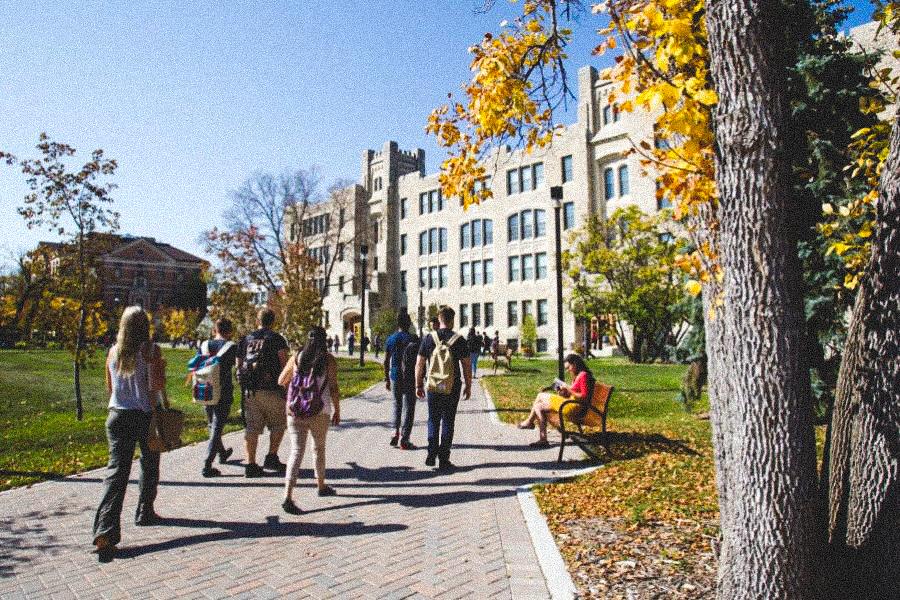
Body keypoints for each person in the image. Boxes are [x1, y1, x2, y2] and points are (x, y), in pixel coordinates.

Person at [92, 306, 164, 562]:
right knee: (149, 462)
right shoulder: (151, 350)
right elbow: (156, 386)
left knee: (116, 472)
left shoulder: (113, 351)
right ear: (145, 325)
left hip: (117, 415)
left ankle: (105, 530)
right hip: (143, 415)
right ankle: (145, 511)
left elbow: (110, 386)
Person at [279, 326, 341, 514]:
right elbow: (334, 388)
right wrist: (337, 410)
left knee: (296, 452)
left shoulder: (297, 357)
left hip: (296, 410)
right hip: (319, 410)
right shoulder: (328, 360)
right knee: (318, 448)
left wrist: (295, 390)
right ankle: (321, 485)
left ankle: (288, 496)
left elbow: (281, 380)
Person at [415, 306, 472, 471]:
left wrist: (418, 384)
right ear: (452, 320)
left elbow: (419, 363)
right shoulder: (459, 340)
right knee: (448, 420)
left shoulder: (429, 338)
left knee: (433, 419)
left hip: (433, 385)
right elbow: (467, 365)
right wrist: (468, 386)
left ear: (439, 319)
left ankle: (431, 453)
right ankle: (444, 458)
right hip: (452, 386)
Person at [237, 308, 289, 477]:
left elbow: (238, 364)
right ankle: (271, 456)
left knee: (251, 428)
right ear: (273, 321)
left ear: (257, 321)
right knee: (278, 425)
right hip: (272, 388)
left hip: (251, 389)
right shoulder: (277, 339)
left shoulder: (246, 339)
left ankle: (250, 464)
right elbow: (284, 364)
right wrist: (287, 388)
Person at [518, 354, 596, 448]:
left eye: (569, 367)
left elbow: (583, 396)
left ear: (575, 364)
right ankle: (543, 439)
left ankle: (529, 422)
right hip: (570, 404)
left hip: (573, 408)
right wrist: (564, 392)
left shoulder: (583, 375)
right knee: (538, 406)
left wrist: (568, 389)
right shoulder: (578, 375)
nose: (568, 370)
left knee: (540, 395)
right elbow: (574, 394)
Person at [199, 318, 237, 477]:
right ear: (229, 331)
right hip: (223, 389)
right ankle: (207, 464)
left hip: (205, 387)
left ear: (215, 330)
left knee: (212, 423)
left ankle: (222, 453)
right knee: (217, 425)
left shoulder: (204, 345)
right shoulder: (231, 347)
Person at [384, 311, 417, 448]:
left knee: (397, 404)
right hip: (410, 376)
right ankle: (405, 438)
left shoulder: (391, 339)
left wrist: (386, 378)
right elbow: (420, 360)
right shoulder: (414, 339)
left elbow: (386, 360)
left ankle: (395, 432)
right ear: (409, 324)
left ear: (398, 323)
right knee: (409, 407)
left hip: (395, 375)